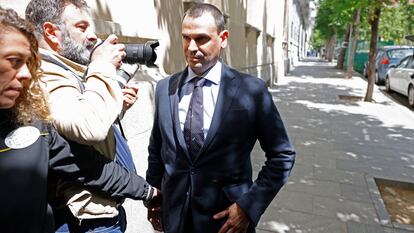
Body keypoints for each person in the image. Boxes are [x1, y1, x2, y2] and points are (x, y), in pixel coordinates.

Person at [0, 6, 159, 233]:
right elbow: (89, 128)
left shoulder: (32, 121)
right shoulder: (50, 75)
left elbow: (86, 165)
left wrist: (146, 191)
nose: (27, 74)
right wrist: (101, 66)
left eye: (28, 63)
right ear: (51, 32)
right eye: (14, 61)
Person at [145, 3, 296, 233]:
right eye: (186, 38)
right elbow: (157, 150)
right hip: (175, 216)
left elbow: (282, 154)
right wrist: (154, 200)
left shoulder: (251, 91)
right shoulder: (165, 88)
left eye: (201, 39)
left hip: (226, 222)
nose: (192, 47)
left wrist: (249, 206)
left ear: (223, 38)